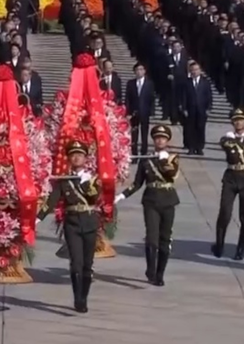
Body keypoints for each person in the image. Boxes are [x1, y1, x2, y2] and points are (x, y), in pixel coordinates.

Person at [37, 141, 99, 313]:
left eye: (80, 155)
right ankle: (77, 298)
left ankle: (84, 297)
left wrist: (86, 183)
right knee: (76, 263)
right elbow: (51, 201)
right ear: (69, 159)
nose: (76, 157)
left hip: (89, 222)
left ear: (86, 158)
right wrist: (37, 219)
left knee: (88, 264)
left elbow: (95, 198)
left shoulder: (93, 178)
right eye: (73, 155)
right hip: (72, 224)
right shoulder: (64, 181)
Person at [114, 125, 180, 286]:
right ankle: (150, 268)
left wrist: (164, 160)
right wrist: (122, 195)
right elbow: (137, 183)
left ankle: (160, 274)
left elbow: (171, 174)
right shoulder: (146, 160)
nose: (160, 140)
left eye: (163, 138)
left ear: (167, 140)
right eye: (157, 138)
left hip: (168, 199)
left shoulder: (173, 158)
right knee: (152, 237)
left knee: (165, 238)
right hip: (151, 200)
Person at [212, 108, 244, 260]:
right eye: (236, 120)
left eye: (241, 120)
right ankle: (219, 245)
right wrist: (236, 139)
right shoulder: (227, 139)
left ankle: (240, 249)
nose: (238, 123)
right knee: (225, 212)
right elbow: (226, 144)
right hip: (230, 177)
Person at [125, 63, 155, 156]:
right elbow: (127, 98)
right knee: (134, 134)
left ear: (144, 71)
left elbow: (151, 98)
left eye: (141, 69)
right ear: (134, 72)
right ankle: (134, 152)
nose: (139, 72)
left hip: (145, 112)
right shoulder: (130, 83)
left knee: (144, 133)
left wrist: (151, 111)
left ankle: (144, 152)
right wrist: (127, 112)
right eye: (137, 70)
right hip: (134, 112)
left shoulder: (149, 83)